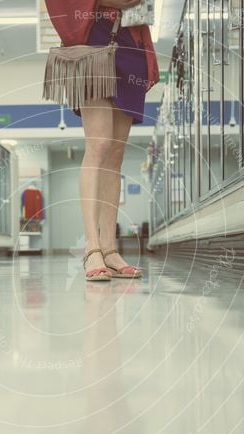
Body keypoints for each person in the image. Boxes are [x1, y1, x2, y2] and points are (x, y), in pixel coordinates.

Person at [45, 0, 159, 281]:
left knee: (116, 152)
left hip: (130, 40)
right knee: (99, 145)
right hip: (93, 39)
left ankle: (110, 248)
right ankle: (91, 247)